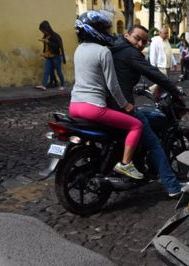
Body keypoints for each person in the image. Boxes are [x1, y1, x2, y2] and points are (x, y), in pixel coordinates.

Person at [108, 24, 188, 197]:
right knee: (154, 144)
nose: (140, 44)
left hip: (104, 105)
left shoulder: (113, 48)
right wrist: (175, 90)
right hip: (122, 107)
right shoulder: (130, 53)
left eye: (144, 41)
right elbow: (153, 73)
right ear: (126, 34)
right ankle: (173, 187)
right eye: (137, 38)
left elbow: (121, 75)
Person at [70, 11, 143, 180]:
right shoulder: (103, 51)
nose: (108, 33)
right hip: (93, 108)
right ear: (96, 31)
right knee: (136, 125)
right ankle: (126, 164)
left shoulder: (78, 50)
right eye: (104, 29)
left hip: (74, 106)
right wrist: (126, 105)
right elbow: (112, 85)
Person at [35, 21, 66, 91]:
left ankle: (62, 85)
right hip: (48, 57)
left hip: (56, 57)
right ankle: (44, 85)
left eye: (43, 30)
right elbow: (46, 47)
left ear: (47, 29)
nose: (42, 32)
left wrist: (48, 42)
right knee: (46, 71)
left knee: (59, 71)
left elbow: (58, 46)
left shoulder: (55, 36)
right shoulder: (45, 36)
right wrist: (44, 53)